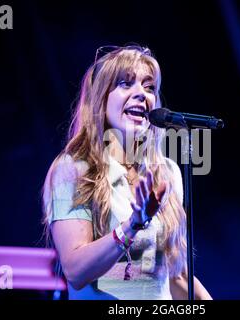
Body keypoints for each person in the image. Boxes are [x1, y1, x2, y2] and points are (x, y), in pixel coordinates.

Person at [42, 45, 212, 300]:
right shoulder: (74, 169)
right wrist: (132, 226)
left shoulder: (167, 173)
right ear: (101, 98)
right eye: (125, 84)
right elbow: (75, 271)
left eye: (149, 87)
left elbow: (175, 275)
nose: (141, 95)